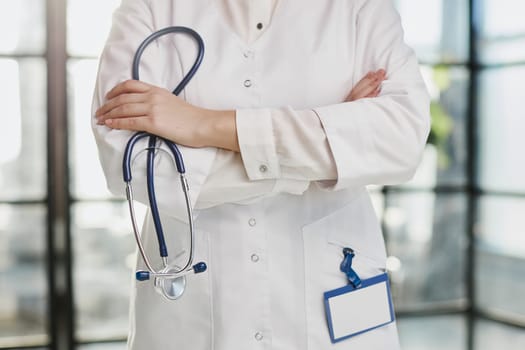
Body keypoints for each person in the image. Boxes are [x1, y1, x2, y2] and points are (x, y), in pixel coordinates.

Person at [91, 0, 430, 349]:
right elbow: (131, 163)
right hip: (195, 310)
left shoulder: (360, 6)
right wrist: (321, 152)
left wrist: (203, 124)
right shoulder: (149, 7)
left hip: (334, 293)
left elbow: (401, 139)